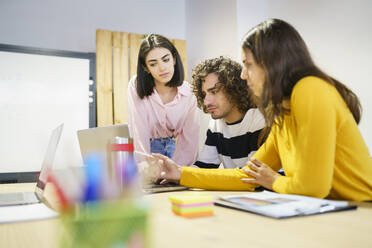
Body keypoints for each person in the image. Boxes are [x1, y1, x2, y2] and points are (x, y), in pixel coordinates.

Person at [153, 19, 372, 201]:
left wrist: (273, 180)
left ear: (270, 63)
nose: (242, 75)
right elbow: (248, 176)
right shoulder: (282, 113)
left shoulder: (310, 89)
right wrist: (180, 173)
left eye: (248, 64)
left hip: (362, 210)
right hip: (330, 210)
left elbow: (313, 188)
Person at [127, 34, 199, 167]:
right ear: (145, 68)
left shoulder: (189, 92)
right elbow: (138, 129)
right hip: (145, 154)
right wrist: (144, 166)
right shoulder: (136, 86)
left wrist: (179, 170)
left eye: (166, 60)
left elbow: (189, 140)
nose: (162, 68)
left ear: (174, 59)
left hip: (176, 153)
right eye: (153, 64)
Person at [190, 56, 265, 169]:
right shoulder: (216, 124)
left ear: (233, 90)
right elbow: (204, 167)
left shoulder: (259, 120)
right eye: (204, 94)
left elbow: (251, 177)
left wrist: (183, 174)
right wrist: (176, 173)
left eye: (214, 92)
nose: (206, 101)